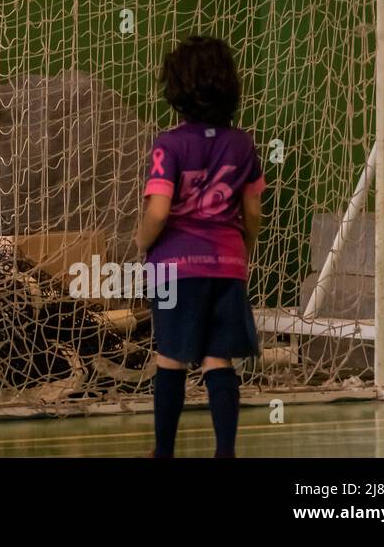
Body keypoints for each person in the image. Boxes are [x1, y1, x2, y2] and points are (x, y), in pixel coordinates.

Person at [135, 35, 264, 459]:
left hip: (176, 267)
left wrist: (141, 242)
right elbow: (252, 210)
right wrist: (242, 248)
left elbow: (158, 210)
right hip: (226, 264)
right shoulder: (242, 144)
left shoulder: (168, 143)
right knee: (217, 359)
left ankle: (163, 452)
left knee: (170, 358)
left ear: (176, 89)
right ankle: (225, 451)